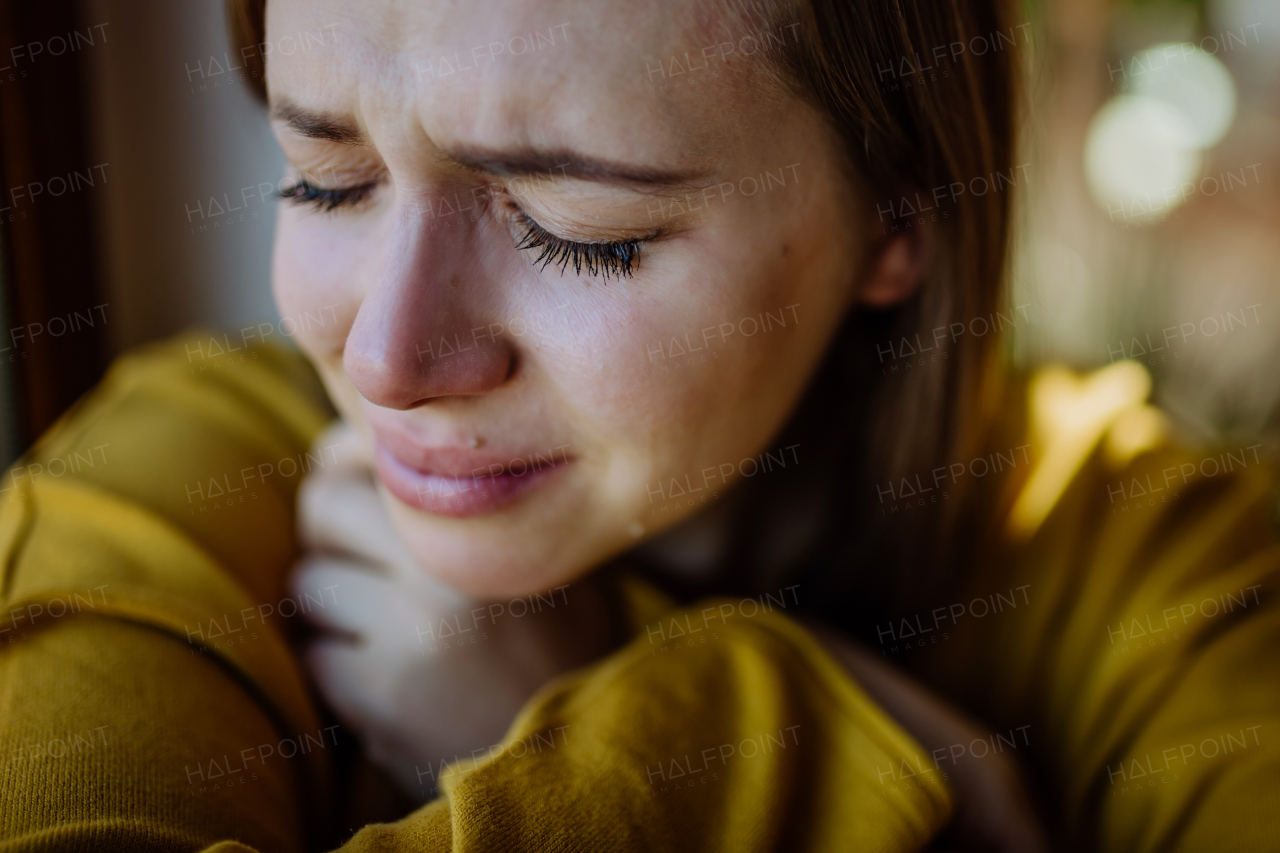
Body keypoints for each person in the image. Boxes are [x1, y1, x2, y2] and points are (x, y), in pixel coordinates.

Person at [2, 0, 1277, 850]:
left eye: (577, 233)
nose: (389, 360)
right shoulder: (179, 475)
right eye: (322, 180)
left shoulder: (1179, 574)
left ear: (898, 219)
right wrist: (861, 777)